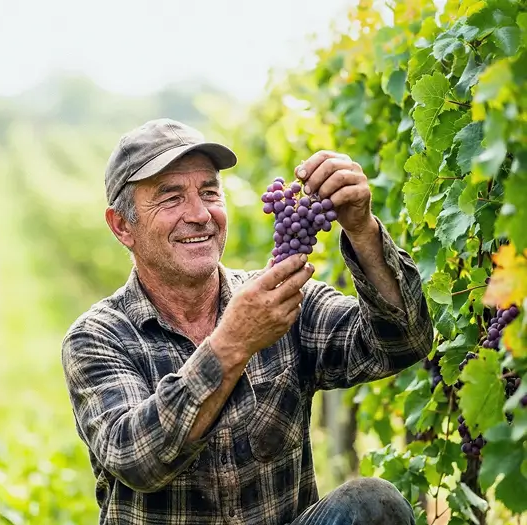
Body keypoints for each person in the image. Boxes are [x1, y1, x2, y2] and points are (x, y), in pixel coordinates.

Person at [61, 118, 433, 525]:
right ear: (122, 226)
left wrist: (362, 229)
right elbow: (138, 460)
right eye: (171, 198)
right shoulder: (97, 337)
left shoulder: (279, 299)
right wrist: (233, 344)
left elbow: (403, 342)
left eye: (209, 192)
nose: (200, 214)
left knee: (372, 502)